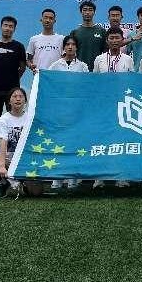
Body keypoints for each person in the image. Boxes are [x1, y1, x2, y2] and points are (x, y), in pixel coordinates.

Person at [93, 27, 134, 187]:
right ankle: (100, 176)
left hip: (123, 103)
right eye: (112, 38)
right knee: (102, 138)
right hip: (103, 105)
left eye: (118, 38)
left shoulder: (128, 59)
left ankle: (121, 176)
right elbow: (94, 82)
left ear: (122, 40)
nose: (115, 41)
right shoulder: (99, 59)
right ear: (107, 40)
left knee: (121, 138)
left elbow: (132, 81)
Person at [47, 35, 88, 190]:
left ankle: (72, 178)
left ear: (77, 47)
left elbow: (87, 87)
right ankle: (57, 178)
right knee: (59, 143)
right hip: (60, 112)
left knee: (74, 144)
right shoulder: (55, 66)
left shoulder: (83, 67)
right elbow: (49, 85)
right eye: (67, 44)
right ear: (63, 47)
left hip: (77, 112)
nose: (70, 47)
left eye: (73, 44)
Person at [0, 87, 40, 198]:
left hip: (26, 161)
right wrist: (2, 166)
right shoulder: (4, 119)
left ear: (25, 101)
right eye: (14, 96)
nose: (18, 99)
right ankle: (6, 182)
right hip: (8, 160)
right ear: (9, 101)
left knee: (36, 193)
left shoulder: (30, 118)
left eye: (21, 96)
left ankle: (21, 183)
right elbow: (3, 142)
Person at [0, 16, 27, 156]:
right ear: (1, 26)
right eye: (6, 25)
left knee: (14, 122)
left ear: (14, 29)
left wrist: (13, 80)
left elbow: (22, 67)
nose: (8, 28)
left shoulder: (19, 47)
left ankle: (12, 153)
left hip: (12, 91)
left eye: (11, 26)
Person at [69, 0, 107, 71]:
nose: (87, 12)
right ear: (81, 12)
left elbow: (105, 52)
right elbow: (70, 53)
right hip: (79, 70)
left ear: (94, 12)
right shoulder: (75, 32)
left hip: (97, 70)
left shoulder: (102, 31)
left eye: (90, 10)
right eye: (85, 10)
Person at [26, 8, 64, 75]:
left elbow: (66, 59)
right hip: (39, 75)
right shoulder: (33, 39)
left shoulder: (61, 39)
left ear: (54, 21)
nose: (48, 20)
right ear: (41, 20)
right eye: (45, 18)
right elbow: (28, 60)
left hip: (57, 75)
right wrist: (31, 66)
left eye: (51, 18)